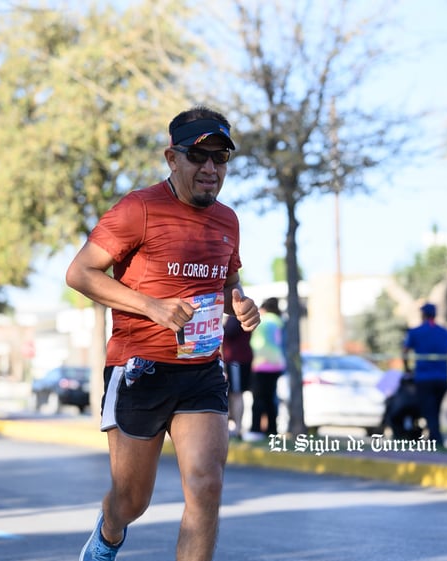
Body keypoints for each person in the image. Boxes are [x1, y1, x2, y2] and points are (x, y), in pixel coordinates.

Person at [66, 106, 260, 561]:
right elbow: (80, 273)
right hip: (141, 368)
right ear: (172, 158)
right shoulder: (139, 208)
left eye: (221, 159)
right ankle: (109, 532)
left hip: (202, 369)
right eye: (199, 157)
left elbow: (227, 282)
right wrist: (152, 307)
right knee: (132, 500)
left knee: (206, 486)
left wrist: (240, 302)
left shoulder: (228, 221)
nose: (211, 169)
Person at [402, 302, 447, 447]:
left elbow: (405, 352)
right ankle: (434, 438)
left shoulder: (415, 332)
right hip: (442, 377)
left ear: (422, 315)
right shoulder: (444, 332)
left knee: (428, 410)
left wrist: (407, 369)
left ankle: (437, 440)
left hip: (424, 378)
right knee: (435, 410)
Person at [247, 297, 286, 441]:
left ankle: (256, 429)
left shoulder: (262, 321)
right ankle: (272, 430)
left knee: (258, 399)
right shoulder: (279, 321)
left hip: (262, 364)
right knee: (271, 399)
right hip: (277, 364)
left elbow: (255, 343)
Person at [222, 314, 253, 440]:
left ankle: (237, 427)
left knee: (236, 393)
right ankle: (234, 426)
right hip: (236, 359)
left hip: (236, 360)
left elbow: (228, 331)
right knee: (232, 394)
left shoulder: (235, 316)